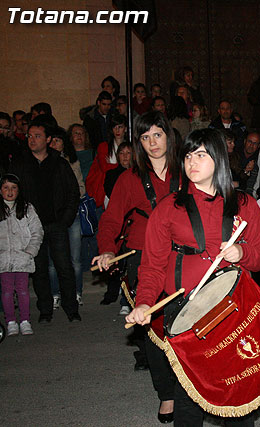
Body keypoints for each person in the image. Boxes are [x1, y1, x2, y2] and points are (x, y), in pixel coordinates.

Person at [126, 127, 260, 426]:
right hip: (186, 311)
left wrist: (242, 254)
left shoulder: (243, 204)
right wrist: (142, 303)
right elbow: (152, 266)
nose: (192, 162)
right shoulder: (168, 208)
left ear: (218, 158)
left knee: (237, 388)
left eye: (201, 155)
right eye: (189, 155)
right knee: (188, 393)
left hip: (233, 309)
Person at [93, 111, 181, 420]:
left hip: (184, 255)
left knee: (189, 325)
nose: (152, 143)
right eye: (145, 138)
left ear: (167, 136)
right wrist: (106, 250)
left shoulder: (186, 170)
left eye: (157, 135)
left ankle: (194, 384)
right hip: (143, 256)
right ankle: (166, 394)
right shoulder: (129, 179)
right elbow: (112, 218)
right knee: (154, 330)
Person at [9, 116, 81, 323]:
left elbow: (72, 193)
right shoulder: (20, 164)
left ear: (48, 139)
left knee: (64, 267)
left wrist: (65, 220)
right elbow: (11, 192)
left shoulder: (59, 163)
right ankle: (45, 310)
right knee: (39, 270)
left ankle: (71, 308)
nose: (32, 140)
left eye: (37, 136)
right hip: (31, 228)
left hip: (56, 224)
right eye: (30, 136)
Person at [0, 174, 43, 336]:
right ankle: (10, 321)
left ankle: (25, 320)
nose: (10, 191)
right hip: (3, 259)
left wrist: (30, 251)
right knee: (6, 291)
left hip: (23, 257)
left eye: (13, 188)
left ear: (19, 190)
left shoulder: (27, 208)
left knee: (23, 290)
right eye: (6, 188)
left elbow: (37, 231)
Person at [47, 127, 85, 307]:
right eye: (51, 140)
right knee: (53, 261)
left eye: (58, 140)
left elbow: (80, 189)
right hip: (52, 217)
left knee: (75, 259)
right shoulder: (44, 163)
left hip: (73, 214)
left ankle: (77, 293)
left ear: (64, 143)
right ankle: (55, 294)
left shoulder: (72, 162)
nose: (54, 144)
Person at [86, 114, 128, 211]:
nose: (117, 130)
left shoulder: (131, 146)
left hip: (126, 188)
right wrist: (121, 166)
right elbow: (104, 167)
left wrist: (112, 166)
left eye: (120, 127)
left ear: (125, 129)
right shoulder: (104, 146)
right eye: (114, 127)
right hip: (108, 191)